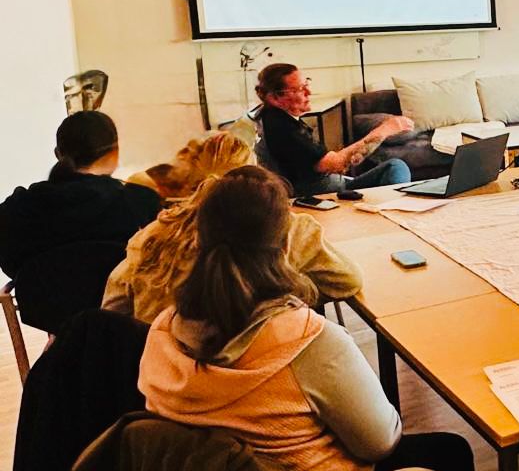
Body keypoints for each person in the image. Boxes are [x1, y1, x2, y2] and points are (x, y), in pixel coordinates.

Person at [137, 168, 472, 471]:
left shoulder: (164, 329)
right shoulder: (304, 339)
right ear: (284, 242)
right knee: (451, 454)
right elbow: (380, 441)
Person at [104, 154, 362, 323]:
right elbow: (347, 280)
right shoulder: (292, 230)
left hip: (158, 375)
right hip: (262, 367)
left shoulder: (154, 234)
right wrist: (295, 287)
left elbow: (113, 308)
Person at [0, 111, 160, 280]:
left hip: (43, 298)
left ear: (58, 154)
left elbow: (12, 266)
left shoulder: (15, 211)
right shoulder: (140, 202)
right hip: (125, 297)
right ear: (115, 152)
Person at [256, 63, 414, 196]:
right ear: (275, 98)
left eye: (306, 85)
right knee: (396, 168)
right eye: (299, 89)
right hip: (324, 194)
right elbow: (336, 165)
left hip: (330, 184)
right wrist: (385, 129)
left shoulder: (272, 117)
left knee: (394, 168)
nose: (309, 92)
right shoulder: (284, 129)